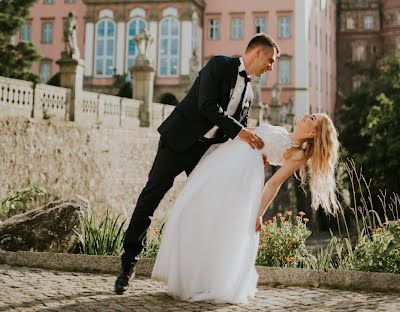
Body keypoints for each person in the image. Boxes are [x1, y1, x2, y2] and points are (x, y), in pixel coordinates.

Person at [114, 33, 280, 295]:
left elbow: (241, 127)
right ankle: (127, 267)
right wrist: (242, 133)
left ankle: (193, 274)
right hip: (178, 142)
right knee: (151, 197)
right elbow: (207, 106)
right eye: (270, 60)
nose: (271, 66)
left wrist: (255, 151)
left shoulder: (249, 89)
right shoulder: (218, 65)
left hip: (206, 153)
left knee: (205, 207)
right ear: (257, 53)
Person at [152, 113, 339, 304]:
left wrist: (259, 214)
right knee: (196, 210)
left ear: (313, 132)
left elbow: (274, 183)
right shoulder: (282, 132)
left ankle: (206, 281)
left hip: (241, 175)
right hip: (225, 159)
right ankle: (193, 276)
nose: (307, 115)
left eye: (313, 118)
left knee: (217, 222)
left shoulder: (297, 153)